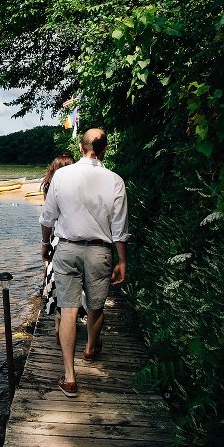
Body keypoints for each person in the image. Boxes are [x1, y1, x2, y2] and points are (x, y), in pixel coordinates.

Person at [39, 128, 129, 397]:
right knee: (95, 306)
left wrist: (45, 245)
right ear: (105, 150)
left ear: (81, 148)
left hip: (67, 248)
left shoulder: (62, 176)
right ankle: (90, 348)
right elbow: (120, 227)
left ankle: (69, 378)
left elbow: (47, 217)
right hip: (100, 251)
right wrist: (122, 259)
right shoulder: (115, 180)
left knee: (68, 309)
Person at [39, 152, 75, 338]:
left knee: (54, 283)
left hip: (56, 239)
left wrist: (44, 244)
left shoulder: (50, 187)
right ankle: (67, 324)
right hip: (71, 239)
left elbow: (47, 219)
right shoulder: (77, 186)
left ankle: (58, 326)